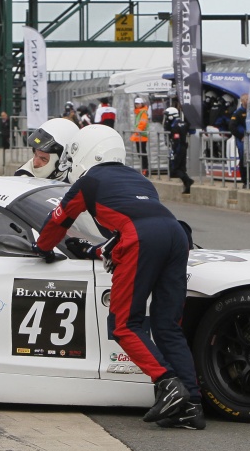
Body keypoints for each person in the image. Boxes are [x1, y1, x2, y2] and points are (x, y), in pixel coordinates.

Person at [33, 125, 204, 430]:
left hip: (143, 238)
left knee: (125, 324)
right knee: (167, 326)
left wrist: (43, 248)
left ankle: (168, 384)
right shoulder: (140, 179)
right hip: (176, 234)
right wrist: (93, 250)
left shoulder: (89, 181)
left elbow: (58, 220)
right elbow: (127, 227)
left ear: (87, 152)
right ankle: (191, 405)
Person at [13, 117, 79, 180]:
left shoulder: (79, 181)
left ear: (64, 162)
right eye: (35, 155)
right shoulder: (23, 177)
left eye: (43, 159)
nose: (35, 163)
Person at [164, 106, 194, 194]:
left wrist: (174, 152)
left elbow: (176, 140)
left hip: (178, 147)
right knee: (181, 168)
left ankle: (188, 180)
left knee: (175, 169)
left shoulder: (175, 126)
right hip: (184, 146)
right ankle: (187, 186)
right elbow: (190, 128)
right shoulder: (183, 123)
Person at [229, 94, 248, 187]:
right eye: (247, 99)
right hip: (242, 140)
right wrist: (241, 136)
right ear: (243, 101)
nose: (249, 101)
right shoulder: (238, 112)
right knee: (243, 159)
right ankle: (245, 181)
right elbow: (232, 126)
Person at [130, 96, 150, 176]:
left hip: (142, 135)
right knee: (140, 153)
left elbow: (143, 122)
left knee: (142, 153)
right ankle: (143, 169)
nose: (137, 105)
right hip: (138, 136)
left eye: (138, 104)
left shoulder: (143, 112)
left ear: (142, 104)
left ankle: (145, 170)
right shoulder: (139, 112)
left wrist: (138, 130)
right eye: (136, 104)